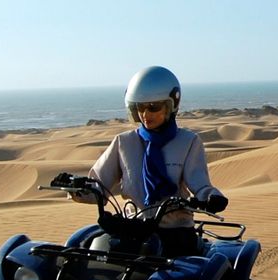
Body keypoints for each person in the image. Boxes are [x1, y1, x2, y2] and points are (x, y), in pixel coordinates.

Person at [72, 66, 227, 257]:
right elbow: (98, 185)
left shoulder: (188, 142)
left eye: (153, 107)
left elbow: (200, 184)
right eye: (140, 108)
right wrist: (76, 188)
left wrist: (212, 198)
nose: (145, 114)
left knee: (188, 279)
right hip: (132, 230)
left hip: (175, 232)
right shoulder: (124, 142)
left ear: (172, 105)